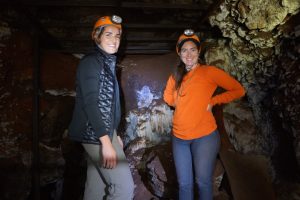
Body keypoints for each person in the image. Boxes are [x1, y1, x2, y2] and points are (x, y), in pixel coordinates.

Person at [163, 29, 245, 200]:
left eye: (193, 49)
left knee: (203, 182)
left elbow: (238, 90)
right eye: (184, 50)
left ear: (199, 51)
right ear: (179, 53)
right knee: (185, 185)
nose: (189, 54)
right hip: (179, 138)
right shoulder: (175, 76)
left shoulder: (209, 72)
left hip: (204, 137)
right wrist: (178, 102)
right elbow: (167, 97)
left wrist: (214, 101)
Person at [68, 15, 134, 200]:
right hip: (95, 133)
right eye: (109, 35)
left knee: (96, 189)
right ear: (97, 37)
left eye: (118, 36)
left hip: (104, 132)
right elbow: (91, 103)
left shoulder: (106, 63)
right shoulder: (91, 62)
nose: (114, 40)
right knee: (123, 189)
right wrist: (106, 142)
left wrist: (116, 134)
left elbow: (110, 105)